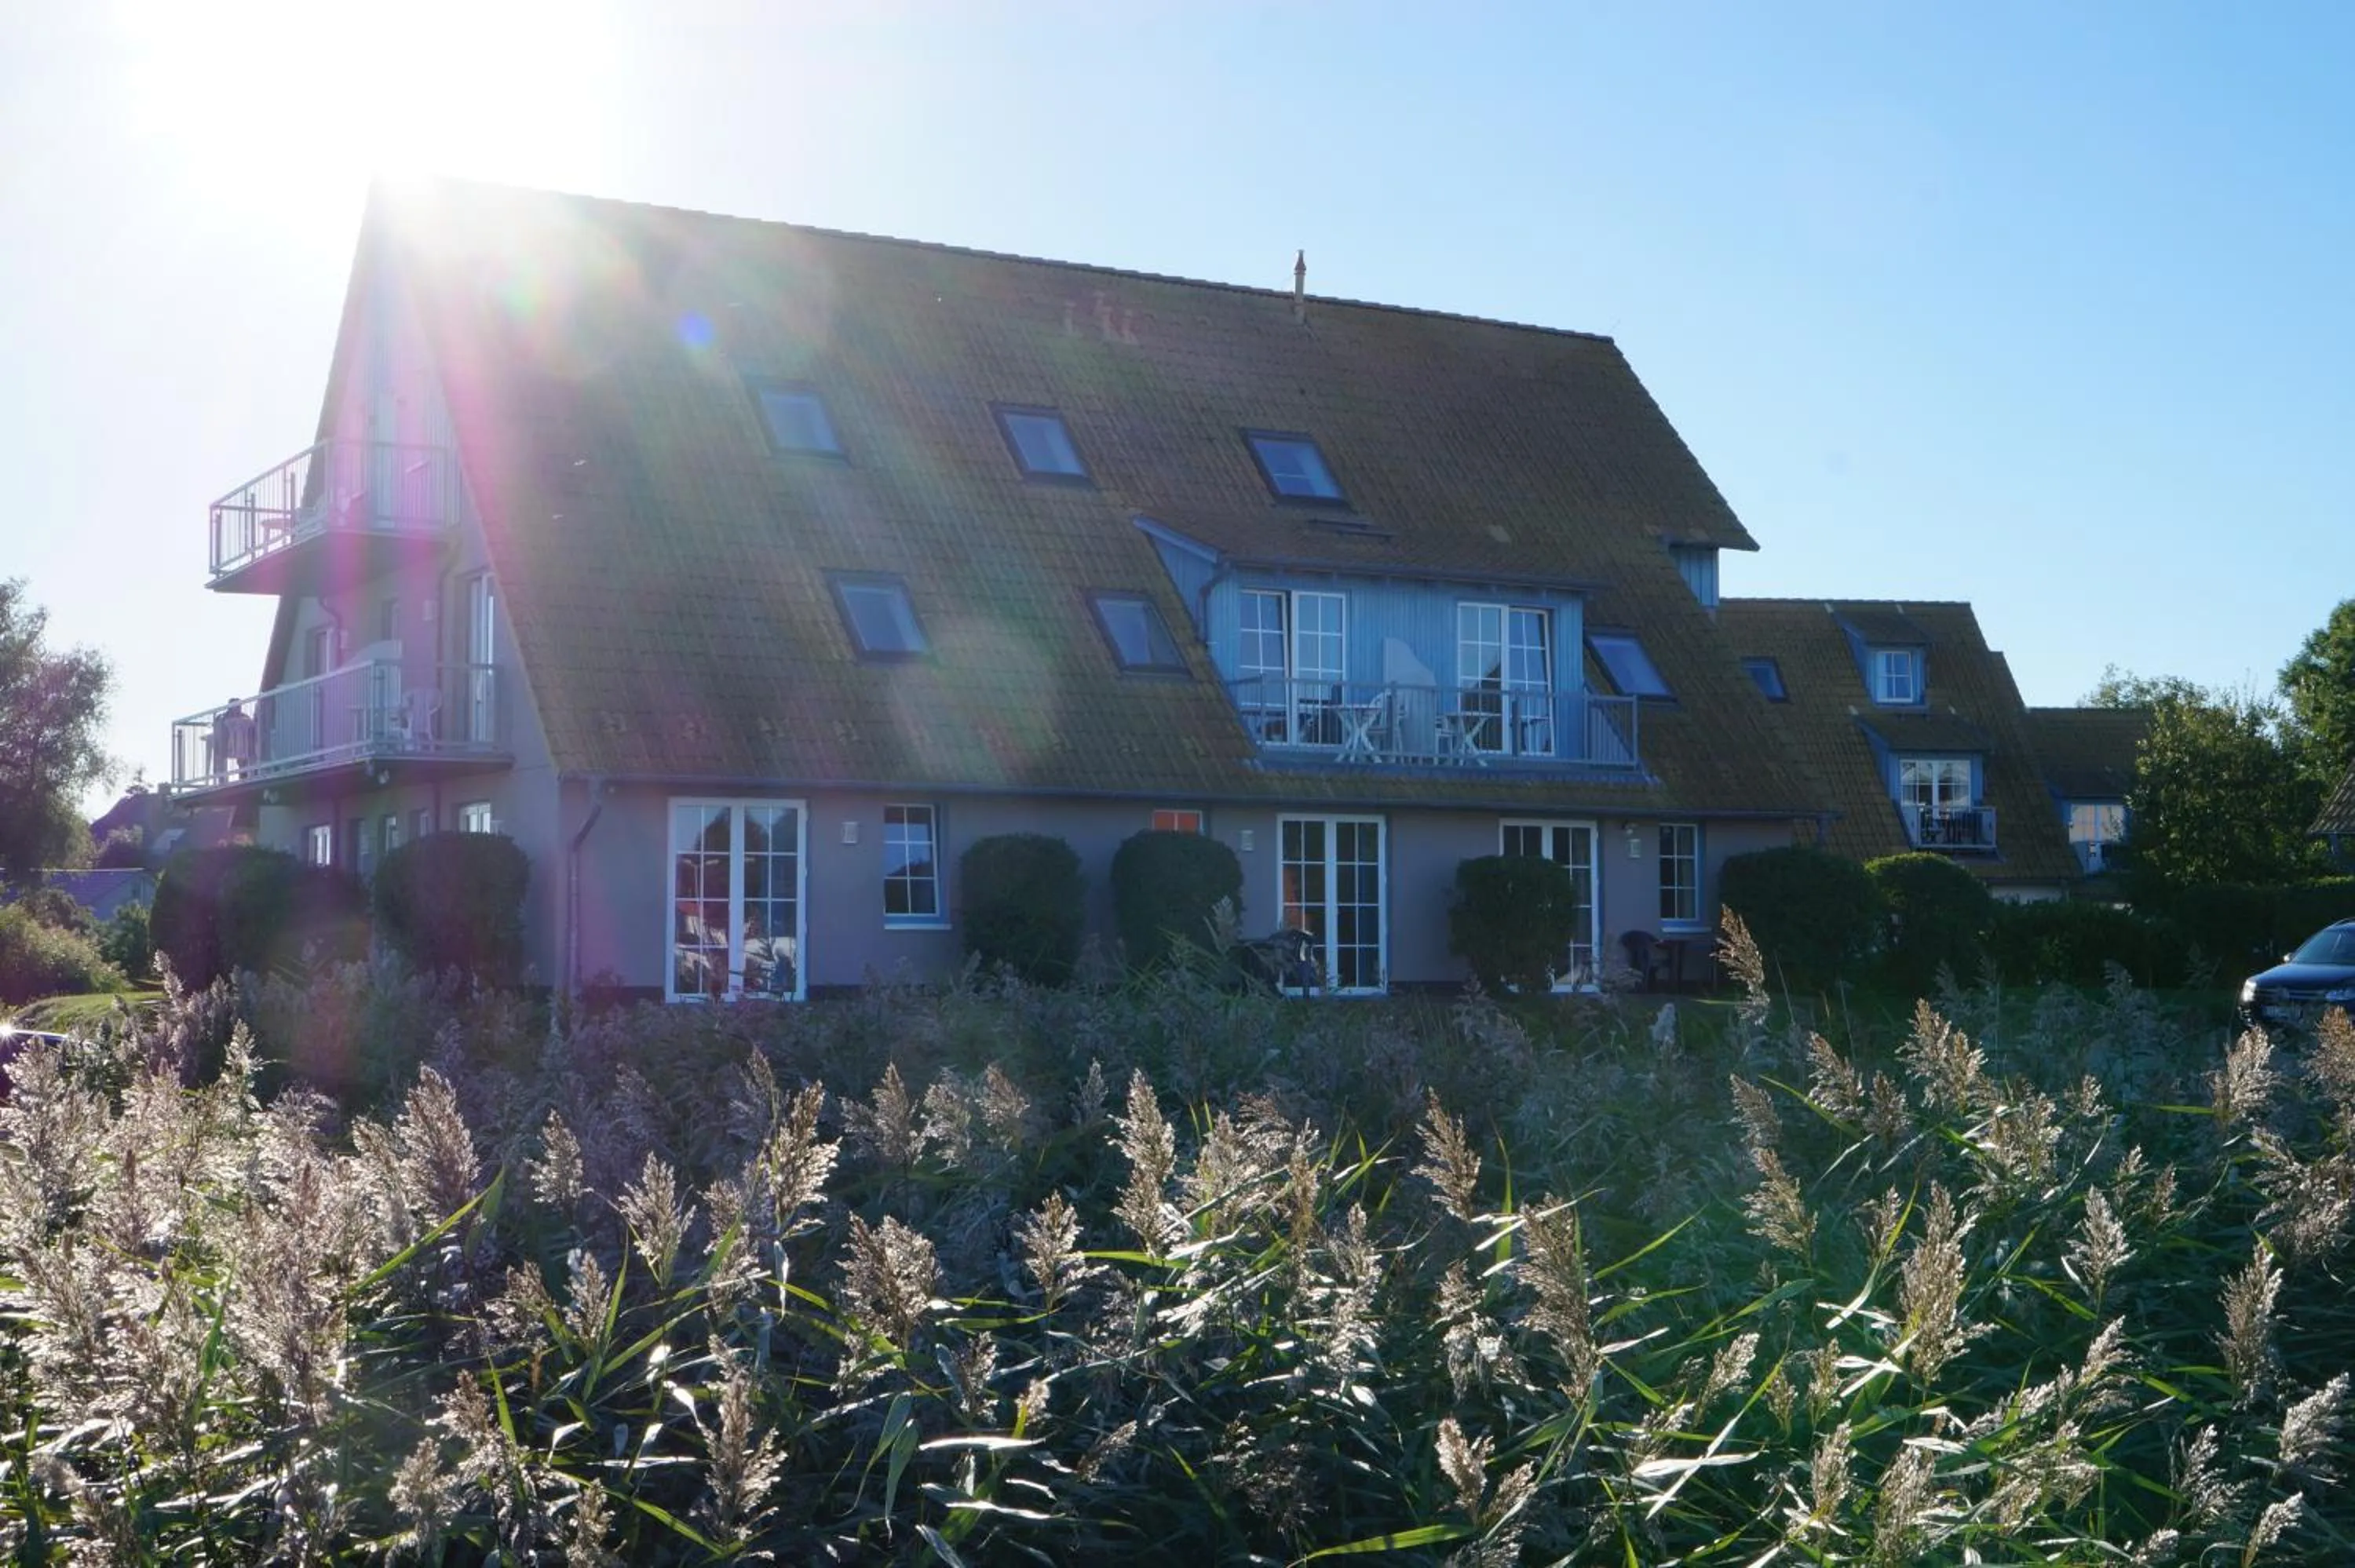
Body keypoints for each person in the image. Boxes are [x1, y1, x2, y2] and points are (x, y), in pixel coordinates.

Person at [212, 698, 257, 781]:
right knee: (221, 757)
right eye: (236, 706)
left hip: (241, 743)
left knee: (244, 753)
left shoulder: (244, 717)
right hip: (226, 743)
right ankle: (222, 779)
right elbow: (217, 727)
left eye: (239, 706)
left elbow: (250, 726)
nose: (238, 709)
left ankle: (243, 777)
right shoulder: (222, 717)